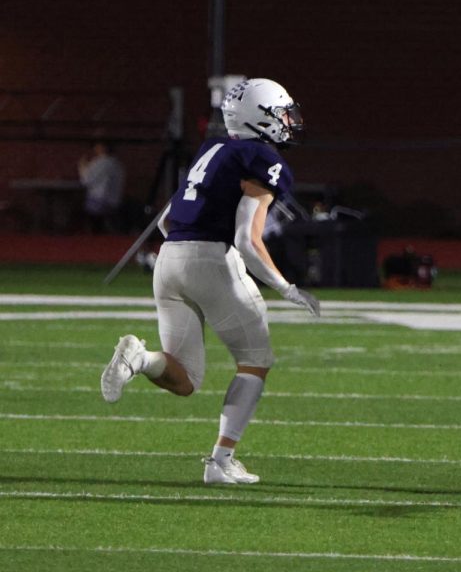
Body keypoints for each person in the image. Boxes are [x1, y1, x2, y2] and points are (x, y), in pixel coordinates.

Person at [99, 78, 320, 485]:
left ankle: (138, 358)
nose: (290, 121)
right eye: (283, 113)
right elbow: (246, 240)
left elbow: (167, 220)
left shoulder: (212, 149)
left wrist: (190, 257)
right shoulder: (262, 160)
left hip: (169, 260)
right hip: (211, 259)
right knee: (256, 361)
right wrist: (287, 288)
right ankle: (220, 461)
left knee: (184, 380)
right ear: (262, 118)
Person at [78, 140, 125, 233]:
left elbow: (85, 181)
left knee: (77, 208)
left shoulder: (100, 163)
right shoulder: (117, 163)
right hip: (115, 201)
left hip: (99, 202)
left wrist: (82, 166)